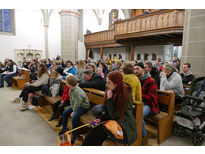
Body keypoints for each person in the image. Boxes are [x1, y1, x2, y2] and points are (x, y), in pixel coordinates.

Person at [82, 71, 138, 146]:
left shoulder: (125, 95)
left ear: (116, 84)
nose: (106, 85)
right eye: (106, 82)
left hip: (125, 128)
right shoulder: (112, 90)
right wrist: (101, 119)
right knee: (95, 128)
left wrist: (109, 99)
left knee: (98, 130)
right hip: (114, 121)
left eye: (109, 83)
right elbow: (108, 111)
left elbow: (114, 115)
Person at [58, 75, 90, 145]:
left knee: (74, 117)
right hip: (76, 105)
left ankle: (74, 135)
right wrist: (72, 108)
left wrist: (74, 111)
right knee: (65, 112)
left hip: (83, 107)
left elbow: (79, 102)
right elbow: (72, 101)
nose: (65, 83)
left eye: (66, 82)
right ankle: (64, 128)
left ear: (69, 83)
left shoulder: (77, 91)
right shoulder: (70, 89)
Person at [134, 62, 160, 145]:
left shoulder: (151, 81)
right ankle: (133, 133)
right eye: (134, 69)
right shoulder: (136, 79)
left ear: (143, 69)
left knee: (138, 115)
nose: (135, 71)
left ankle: (143, 136)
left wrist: (138, 96)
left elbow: (152, 97)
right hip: (138, 103)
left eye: (137, 69)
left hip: (149, 105)